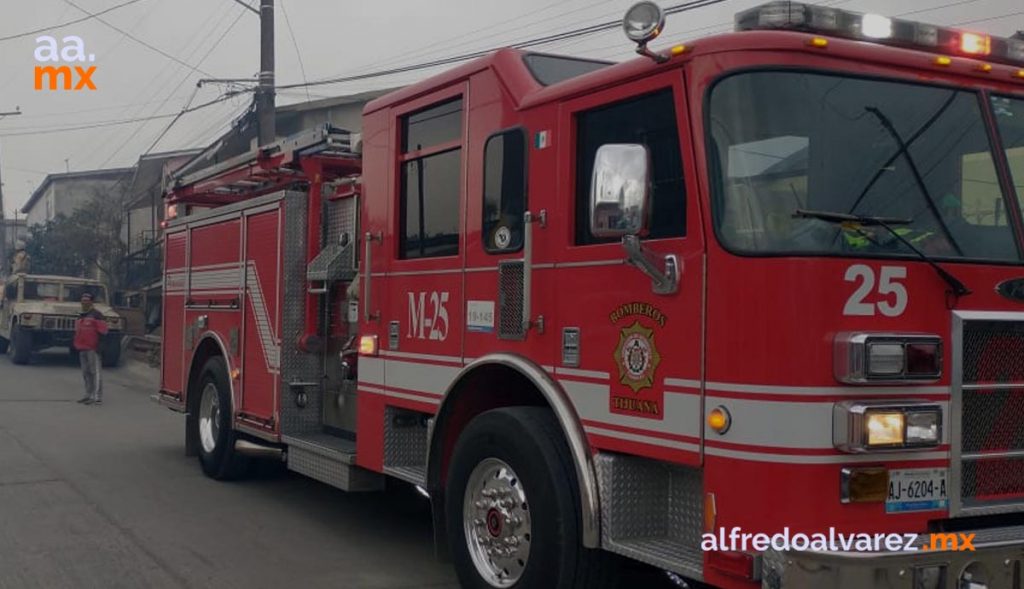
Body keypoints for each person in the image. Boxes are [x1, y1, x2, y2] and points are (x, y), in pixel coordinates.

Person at [74, 292, 108, 406]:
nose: (84, 302)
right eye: (83, 300)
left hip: (93, 349)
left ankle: (97, 397)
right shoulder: (80, 315)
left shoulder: (97, 315)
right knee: (86, 372)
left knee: (95, 373)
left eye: (87, 300)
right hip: (82, 348)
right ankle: (88, 394)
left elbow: (103, 332)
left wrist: (100, 347)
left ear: (91, 302)